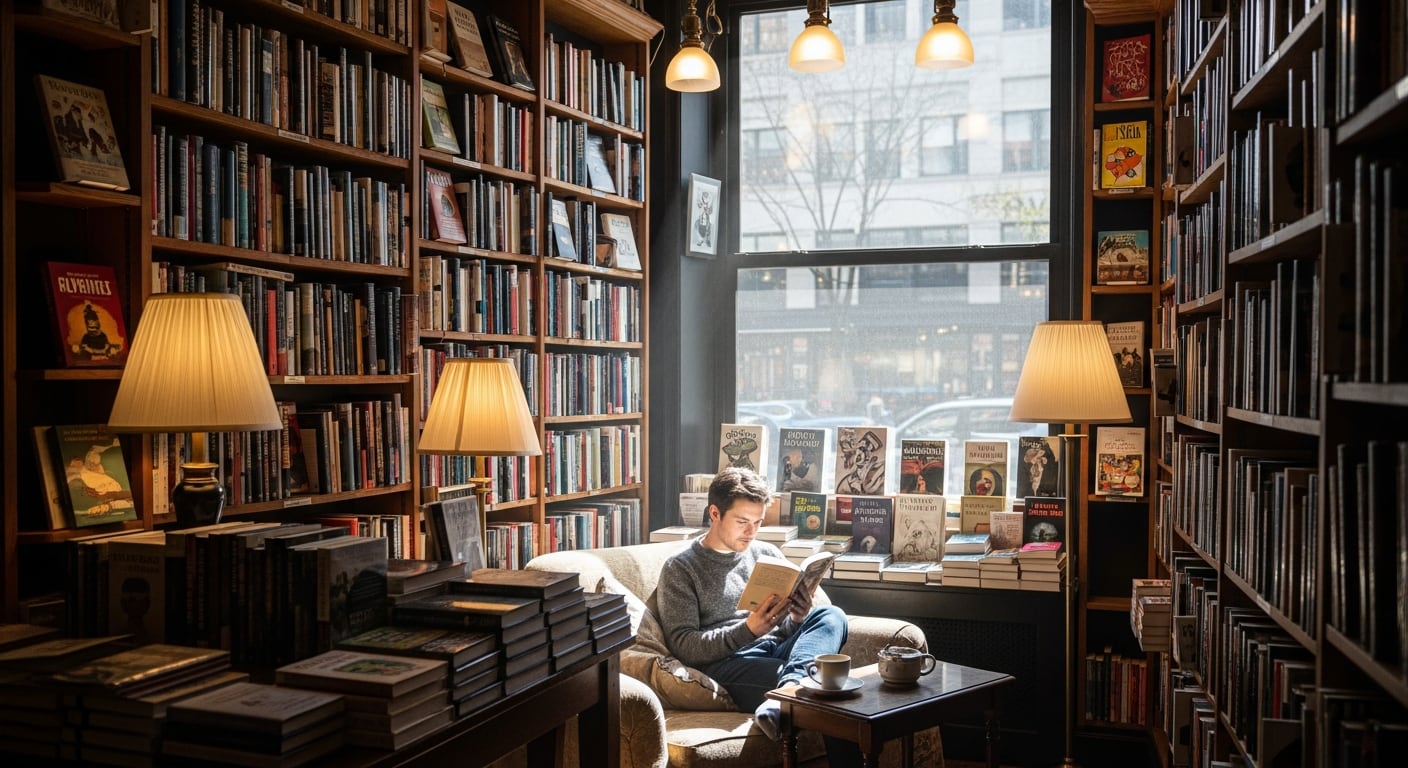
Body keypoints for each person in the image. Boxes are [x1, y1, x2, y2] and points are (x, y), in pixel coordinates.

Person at [654, 467, 860, 765]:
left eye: (758, 522)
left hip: (776, 651)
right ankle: (793, 689)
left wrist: (797, 617)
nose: (751, 532)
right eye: (742, 522)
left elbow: (784, 630)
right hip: (728, 664)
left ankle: (788, 689)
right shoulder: (681, 568)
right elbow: (683, 645)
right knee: (828, 687)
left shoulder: (766, 553)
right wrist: (748, 630)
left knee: (832, 614)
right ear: (714, 513)